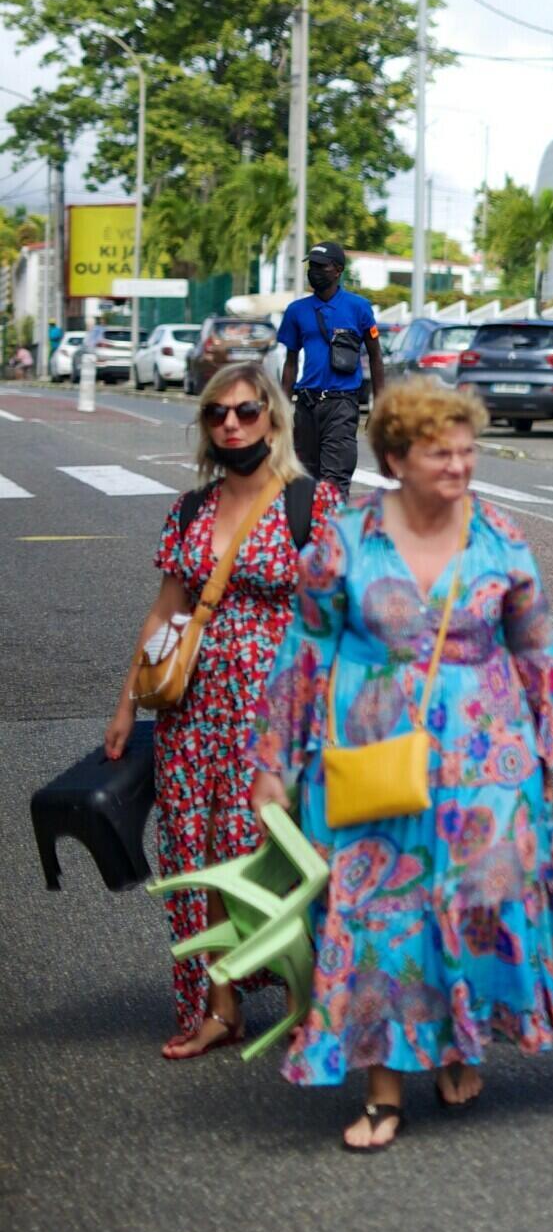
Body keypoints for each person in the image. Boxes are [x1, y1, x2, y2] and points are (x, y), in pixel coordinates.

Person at [246, 377, 553, 1150]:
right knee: (382, 918)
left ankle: (454, 1041)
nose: (459, 465)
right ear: (398, 458)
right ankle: (383, 1089)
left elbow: (539, 651)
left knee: (477, 902)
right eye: (442, 453)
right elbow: (304, 649)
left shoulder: (501, 537)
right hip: (374, 757)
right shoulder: (345, 539)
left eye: (468, 451)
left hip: (489, 763)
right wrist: (272, 756)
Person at [107, 365, 337, 1059]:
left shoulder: (309, 504)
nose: (232, 425)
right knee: (193, 852)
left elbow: (334, 611)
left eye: (245, 411)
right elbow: (167, 610)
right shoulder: (191, 509)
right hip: (191, 708)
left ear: (272, 417)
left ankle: (306, 1001)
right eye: (218, 415)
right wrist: (126, 706)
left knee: (270, 850)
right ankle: (219, 1004)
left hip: (272, 708)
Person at [277, 240, 385, 487]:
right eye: (312, 265)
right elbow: (290, 363)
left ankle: (331, 526)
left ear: (338, 270)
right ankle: (308, 525)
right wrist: (282, 407)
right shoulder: (296, 311)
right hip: (306, 406)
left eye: (321, 267)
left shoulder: (359, 308)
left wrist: (379, 404)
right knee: (303, 480)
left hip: (342, 405)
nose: (314, 271)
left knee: (334, 481)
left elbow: (376, 357)